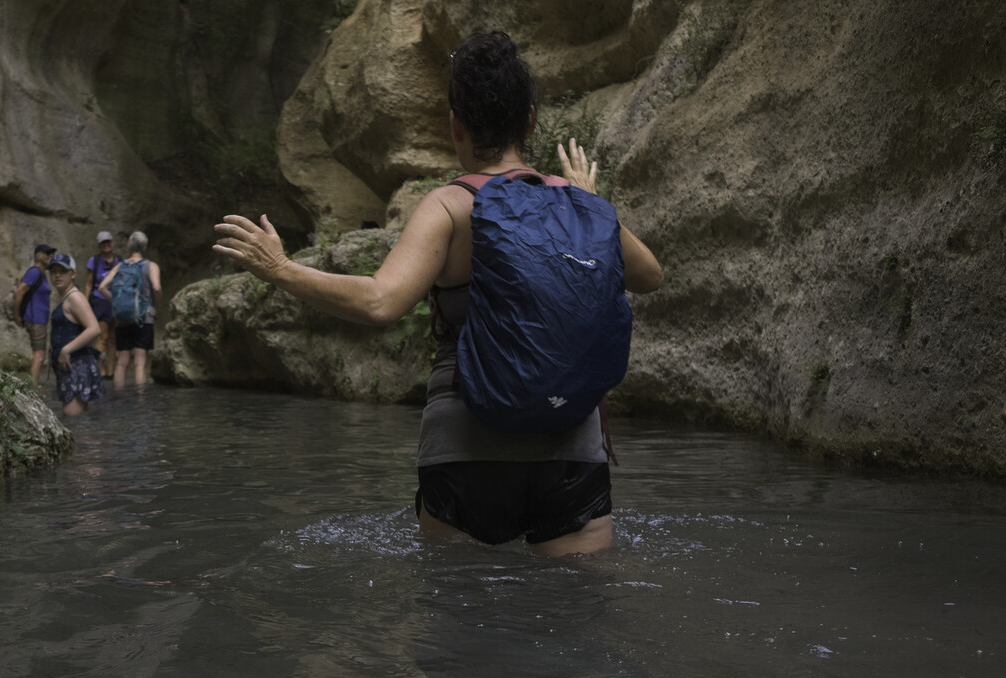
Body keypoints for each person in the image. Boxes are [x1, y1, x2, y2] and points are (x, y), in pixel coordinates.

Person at [212, 31, 662, 556]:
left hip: (466, 443)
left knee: (458, 602)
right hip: (572, 442)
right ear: (530, 120)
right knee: (575, 602)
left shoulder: (449, 205)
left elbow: (380, 302)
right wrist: (588, 207)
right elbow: (649, 275)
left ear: (455, 125)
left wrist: (280, 268)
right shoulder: (575, 202)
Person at [100, 231, 160, 392]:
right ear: (144, 247)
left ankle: (118, 396)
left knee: (122, 361)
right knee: (140, 362)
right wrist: (155, 304)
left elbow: (102, 287)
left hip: (122, 319)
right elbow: (156, 288)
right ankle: (140, 398)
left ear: (129, 246)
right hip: (144, 317)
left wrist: (116, 302)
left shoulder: (120, 266)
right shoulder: (151, 266)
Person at [46, 253, 105, 414]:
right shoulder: (64, 297)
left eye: (62, 271)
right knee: (78, 421)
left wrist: (66, 349)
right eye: (53, 271)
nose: (57, 275)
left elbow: (94, 328)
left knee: (72, 420)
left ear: (73, 273)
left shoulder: (75, 297)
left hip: (78, 366)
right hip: (70, 367)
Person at [11, 244, 56, 385]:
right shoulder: (35, 272)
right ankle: (34, 389)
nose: (50, 256)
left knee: (40, 355)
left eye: (51, 254)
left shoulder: (42, 273)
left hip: (39, 319)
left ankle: (34, 386)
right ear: (38, 256)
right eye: (47, 253)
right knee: (39, 355)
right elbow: (20, 291)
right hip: (35, 319)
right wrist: (16, 315)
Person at [84, 232, 119, 378]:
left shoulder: (119, 261)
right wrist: (85, 304)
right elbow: (89, 284)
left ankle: (111, 371)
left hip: (115, 301)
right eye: (103, 243)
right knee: (102, 336)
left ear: (112, 243)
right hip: (99, 300)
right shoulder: (94, 261)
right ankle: (100, 371)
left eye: (108, 242)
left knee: (113, 337)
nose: (106, 245)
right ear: (99, 245)